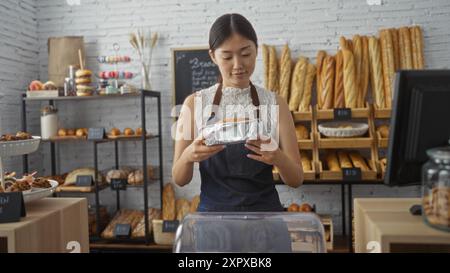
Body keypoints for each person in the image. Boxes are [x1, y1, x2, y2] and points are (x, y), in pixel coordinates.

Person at [172, 13, 303, 212]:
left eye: (245, 54)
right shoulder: (194, 104)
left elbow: (296, 180)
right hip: (214, 224)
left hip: (265, 220)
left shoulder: (275, 104)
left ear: (256, 50)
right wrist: (189, 156)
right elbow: (180, 179)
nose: (238, 65)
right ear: (212, 56)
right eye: (227, 57)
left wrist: (278, 157)